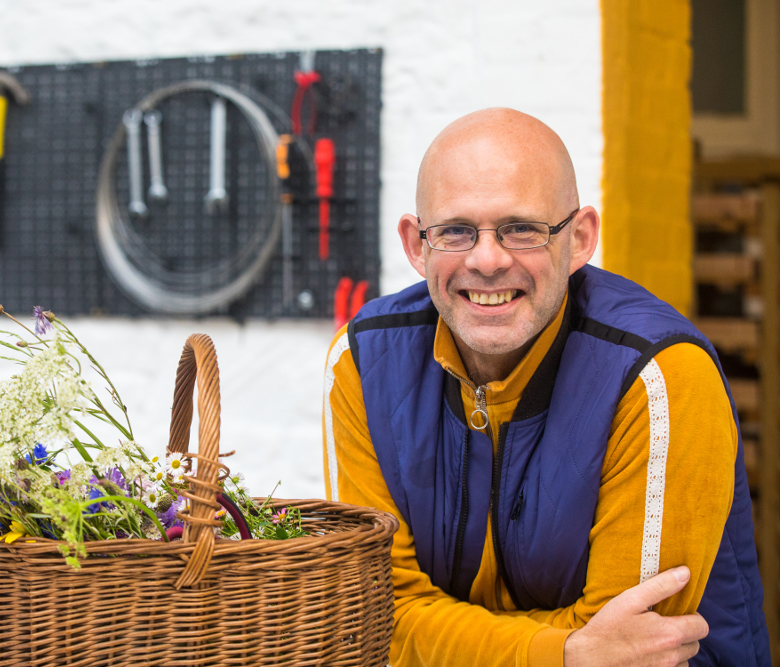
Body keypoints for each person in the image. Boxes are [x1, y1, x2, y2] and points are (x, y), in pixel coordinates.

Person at [322, 108, 769, 666]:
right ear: (418, 245)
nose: (487, 260)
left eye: (523, 229)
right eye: (457, 231)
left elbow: (637, 651)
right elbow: (376, 614)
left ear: (580, 238)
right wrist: (563, 653)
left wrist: (437, 630)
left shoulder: (658, 374)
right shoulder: (363, 362)